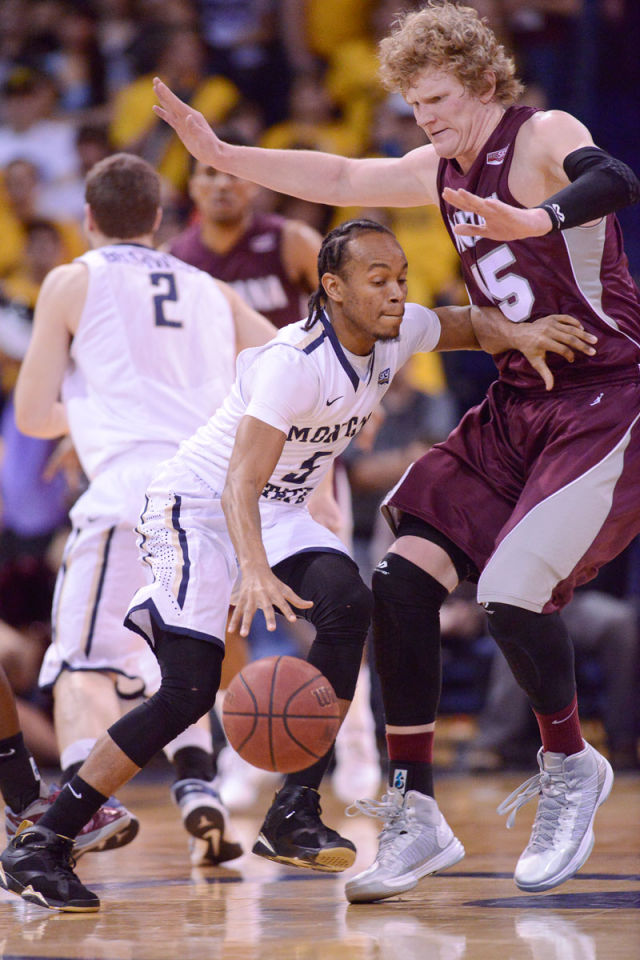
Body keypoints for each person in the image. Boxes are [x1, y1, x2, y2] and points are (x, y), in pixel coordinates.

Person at [148, 0, 640, 903]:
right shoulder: (435, 164)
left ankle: (571, 763)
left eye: (443, 100)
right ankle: (414, 813)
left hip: (607, 398)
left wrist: (539, 221)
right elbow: (337, 168)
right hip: (518, 400)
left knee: (508, 592)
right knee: (399, 581)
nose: (430, 121)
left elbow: (616, 176)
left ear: (486, 81)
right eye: (415, 107)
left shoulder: (540, 136)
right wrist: (221, 156)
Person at [0, 217, 593, 911]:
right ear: (334, 288)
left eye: (401, 278)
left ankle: (294, 810)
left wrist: (517, 333)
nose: (398, 293)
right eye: (380, 282)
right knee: (188, 691)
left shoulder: (396, 331)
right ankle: (42, 842)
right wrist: (252, 570)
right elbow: (236, 484)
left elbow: (461, 322)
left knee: (350, 602)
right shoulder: (293, 364)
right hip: (193, 507)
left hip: (275, 507)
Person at [5, 152, 276, 870]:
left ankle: (83, 810)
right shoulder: (213, 290)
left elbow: (32, 416)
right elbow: (284, 363)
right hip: (211, 505)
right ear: (159, 221)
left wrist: (92, 419)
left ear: (87, 220)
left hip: (131, 496)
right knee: (177, 664)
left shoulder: (71, 278)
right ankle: (198, 785)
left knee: (78, 669)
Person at [168, 138, 322, 330]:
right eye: (210, 173)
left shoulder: (293, 240)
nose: (222, 185)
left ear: (254, 184)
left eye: (233, 174)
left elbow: (340, 308)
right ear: (192, 186)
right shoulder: (173, 258)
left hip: (282, 359)